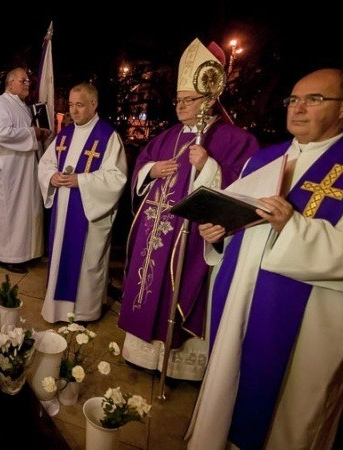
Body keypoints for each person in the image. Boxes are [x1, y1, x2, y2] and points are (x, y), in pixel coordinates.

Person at [187, 69, 343, 450]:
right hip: (239, 303)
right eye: (293, 99)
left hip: (307, 323)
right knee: (226, 395)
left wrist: (292, 227)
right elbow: (241, 222)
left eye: (314, 99)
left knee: (287, 421)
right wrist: (222, 233)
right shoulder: (263, 160)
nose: (298, 108)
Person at [118, 39, 259, 380]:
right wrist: (151, 171)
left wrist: (209, 166)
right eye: (178, 100)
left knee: (181, 291)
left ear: (209, 98)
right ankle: (142, 354)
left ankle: (180, 367)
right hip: (155, 235)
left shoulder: (235, 140)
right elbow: (143, 163)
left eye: (188, 100)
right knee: (146, 287)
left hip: (195, 240)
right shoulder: (167, 137)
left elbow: (245, 191)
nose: (180, 106)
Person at [37, 83, 127, 323]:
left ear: (93, 105)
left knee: (88, 262)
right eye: (71, 105)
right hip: (63, 210)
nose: (73, 111)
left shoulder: (108, 137)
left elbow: (117, 177)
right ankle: (57, 309)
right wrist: (51, 176)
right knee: (60, 257)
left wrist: (82, 181)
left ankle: (84, 312)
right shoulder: (65, 134)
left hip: (89, 212)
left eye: (79, 105)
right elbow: (46, 163)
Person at [0, 67, 51, 273]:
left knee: (29, 211)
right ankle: (8, 257)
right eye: (23, 81)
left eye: (28, 81)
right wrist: (32, 133)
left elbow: (28, 133)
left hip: (27, 168)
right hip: (9, 171)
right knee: (12, 213)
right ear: (10, 83)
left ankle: (27, 253)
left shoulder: (23, 107)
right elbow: (0, 134)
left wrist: (39, 134)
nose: (27, 84)